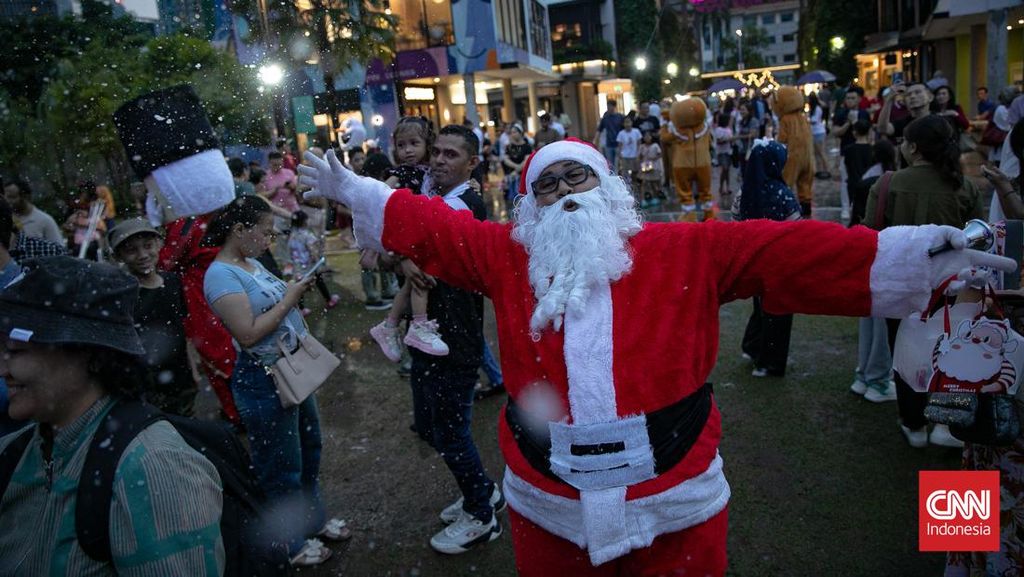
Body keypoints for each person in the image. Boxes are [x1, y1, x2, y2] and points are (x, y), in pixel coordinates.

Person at [299, 135, 1011, 575]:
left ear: (608, 190)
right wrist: (355, 189)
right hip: (548, 503)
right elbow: (431, 227)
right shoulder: (505, 256)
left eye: (577, 178)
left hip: (676, 498)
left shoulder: (684, 248)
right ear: (527, 209)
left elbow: (785, 249)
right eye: (545, 186)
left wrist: (915, 256)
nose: (563, 194)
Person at [0, 256, 225, 576]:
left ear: (89, 354)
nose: (2, 369)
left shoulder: (152, 467)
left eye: (17, 351)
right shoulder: (14, 453)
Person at [202, 196, 349, 567]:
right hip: (262, 378)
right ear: (239, 230)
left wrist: (290, 288)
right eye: (265, 232)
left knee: (308, 448)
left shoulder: (249, 263)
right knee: (279, 465)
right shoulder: (220, 274)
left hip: (290, 368)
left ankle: (312, 521)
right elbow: (248, 334)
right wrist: (292, 298)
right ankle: (288, 542)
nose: (269, 240)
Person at [386, 125, 506, 553]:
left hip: (454, 339)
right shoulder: (432, 198)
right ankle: (483, 490)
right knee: (432, 426)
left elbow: (419, 251)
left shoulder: (466, 206)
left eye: (451, 155)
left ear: (472, 164)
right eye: (435, 152)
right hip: (429, 335)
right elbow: (398, 251)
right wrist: (401, 259)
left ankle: (481, 515)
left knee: (450, 432)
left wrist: (402, 256)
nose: (438, 160)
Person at [865, 114, 984, 449]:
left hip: (899, 286)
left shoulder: (887, 184)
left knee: (905, 355)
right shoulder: (965, 186)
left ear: (913, 147)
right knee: (956, 352)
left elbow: (869, 237)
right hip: (953, 289)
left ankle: (914, 423)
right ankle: (947, 424)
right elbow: (979, 238)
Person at [369, 116, 450, 359]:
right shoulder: (402, 172)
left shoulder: (429, 171)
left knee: (412, 281)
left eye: (414, 143)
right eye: (402, 145)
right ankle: (418, 324)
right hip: (410, 232)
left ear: (427, 144)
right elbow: (379, 194)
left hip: (423, 230)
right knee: (419, 278)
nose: (407, 150)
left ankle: (391, 323)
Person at [108, 219, 198, 416]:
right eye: (132, 250)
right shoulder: (124, 296)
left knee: (189, 423)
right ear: (118, 256)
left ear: (159, 244)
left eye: (148, 246)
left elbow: (182, 329)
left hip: (181, 376)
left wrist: (193, 369)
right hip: (148, 386)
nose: (142, 255)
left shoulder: (172, 282)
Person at [736, 140, 800, 378]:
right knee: (779, 312)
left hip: (753, 262)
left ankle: (752, 348)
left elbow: (735, 222)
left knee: (760, 305)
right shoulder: (781, 193)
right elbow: (796, 228)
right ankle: (769, 363)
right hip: (780, 264)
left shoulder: (745, 192)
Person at [288, 210, 340, 315]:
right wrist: (316, 259)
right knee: (318, 281)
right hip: (309, 265)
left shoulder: (292, 235)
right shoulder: (307, 235)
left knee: (300, 285)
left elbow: (290, 249)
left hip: (297, 265)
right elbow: (312, 250)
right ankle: (329, 299)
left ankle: (301, 308)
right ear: (304, 222)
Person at [2, 179, 64, 244]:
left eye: (11, 197)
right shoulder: (5, 219)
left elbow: (59, 249)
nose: (7, 201)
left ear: (25, 197)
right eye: (5, 197)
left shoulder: (44, 220)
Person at [64, 180, 107, 260]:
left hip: (92, 238)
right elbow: (68, 224)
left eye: (85, 191)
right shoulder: (75, 205)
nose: (83, 194)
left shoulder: (97, 205)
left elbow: (100, 224)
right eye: (82, 191)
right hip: (78, 240)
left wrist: (81, 222)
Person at [843, 120, 875, 226]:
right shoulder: (872, 150)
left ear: (854, 132)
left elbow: (846, 168)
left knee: (855, 210)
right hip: (869, 184)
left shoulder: (848, 150)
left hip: (853, 184)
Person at [501, 124, 533, 216]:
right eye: (511, 133)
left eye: (514, 132)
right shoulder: (509, 147)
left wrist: (517, 170)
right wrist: (516, 167)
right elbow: (506, 160)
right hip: (511, 176)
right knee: (511, 200)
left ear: (520, 133)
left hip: (522, 176)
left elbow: (526, 160)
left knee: (523, 199)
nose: (512, 134)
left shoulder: (526, 146)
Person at [638, 130, 664, 208]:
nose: (647, 138)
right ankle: (643, 199)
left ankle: (655, 197)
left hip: (654, 166)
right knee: (644, 183)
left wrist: (653, 158)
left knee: (654, 183)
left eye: (648, 136)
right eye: (645, 136)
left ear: (651, 137)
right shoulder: (642, 146)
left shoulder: (655, 145)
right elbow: (639, 156)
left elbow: (660, 154)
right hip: (645, 166)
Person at [594, 100, 625, 167]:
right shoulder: (605, 118)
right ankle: (613, 176)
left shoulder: (620, 117)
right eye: (608, 106)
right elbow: (599, 130)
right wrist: (595, 141)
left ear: (614, 106)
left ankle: (618, 175)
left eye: (610, 106)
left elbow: (624, 130)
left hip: (619, 144)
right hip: (609, 144)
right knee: (610, 163)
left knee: (618, 163)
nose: (608, 108)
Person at [712, 113, 734, 206]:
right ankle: (721, 187)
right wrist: (729, 139)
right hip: (721, 152)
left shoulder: (728, 129)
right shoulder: (718, 130)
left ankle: (727, 187)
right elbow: (719, 141)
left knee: (727, 170)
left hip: (728, 151)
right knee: (724, 169)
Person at [808, 92, 830, 179]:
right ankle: (819, 170)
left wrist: (807, 120)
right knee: (817, 153)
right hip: (815, 132)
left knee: (821, 152)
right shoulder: (815, 108)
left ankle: (827, 170)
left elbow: (815, 120)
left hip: (819, 132)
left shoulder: (817, 108)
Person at [615, 116, 641, 184]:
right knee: (625, 173)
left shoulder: (636, 131)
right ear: (623, 124)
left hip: (634, 155)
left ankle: (635, 184)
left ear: (631, 123)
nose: (627, 124)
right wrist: (619, 155)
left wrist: (638, 154)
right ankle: (627, 185)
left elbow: (639, 144)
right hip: (625, 156)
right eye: (626, 122)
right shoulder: (621, 133)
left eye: (629, 122)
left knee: (635, 171)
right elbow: (619, 146)